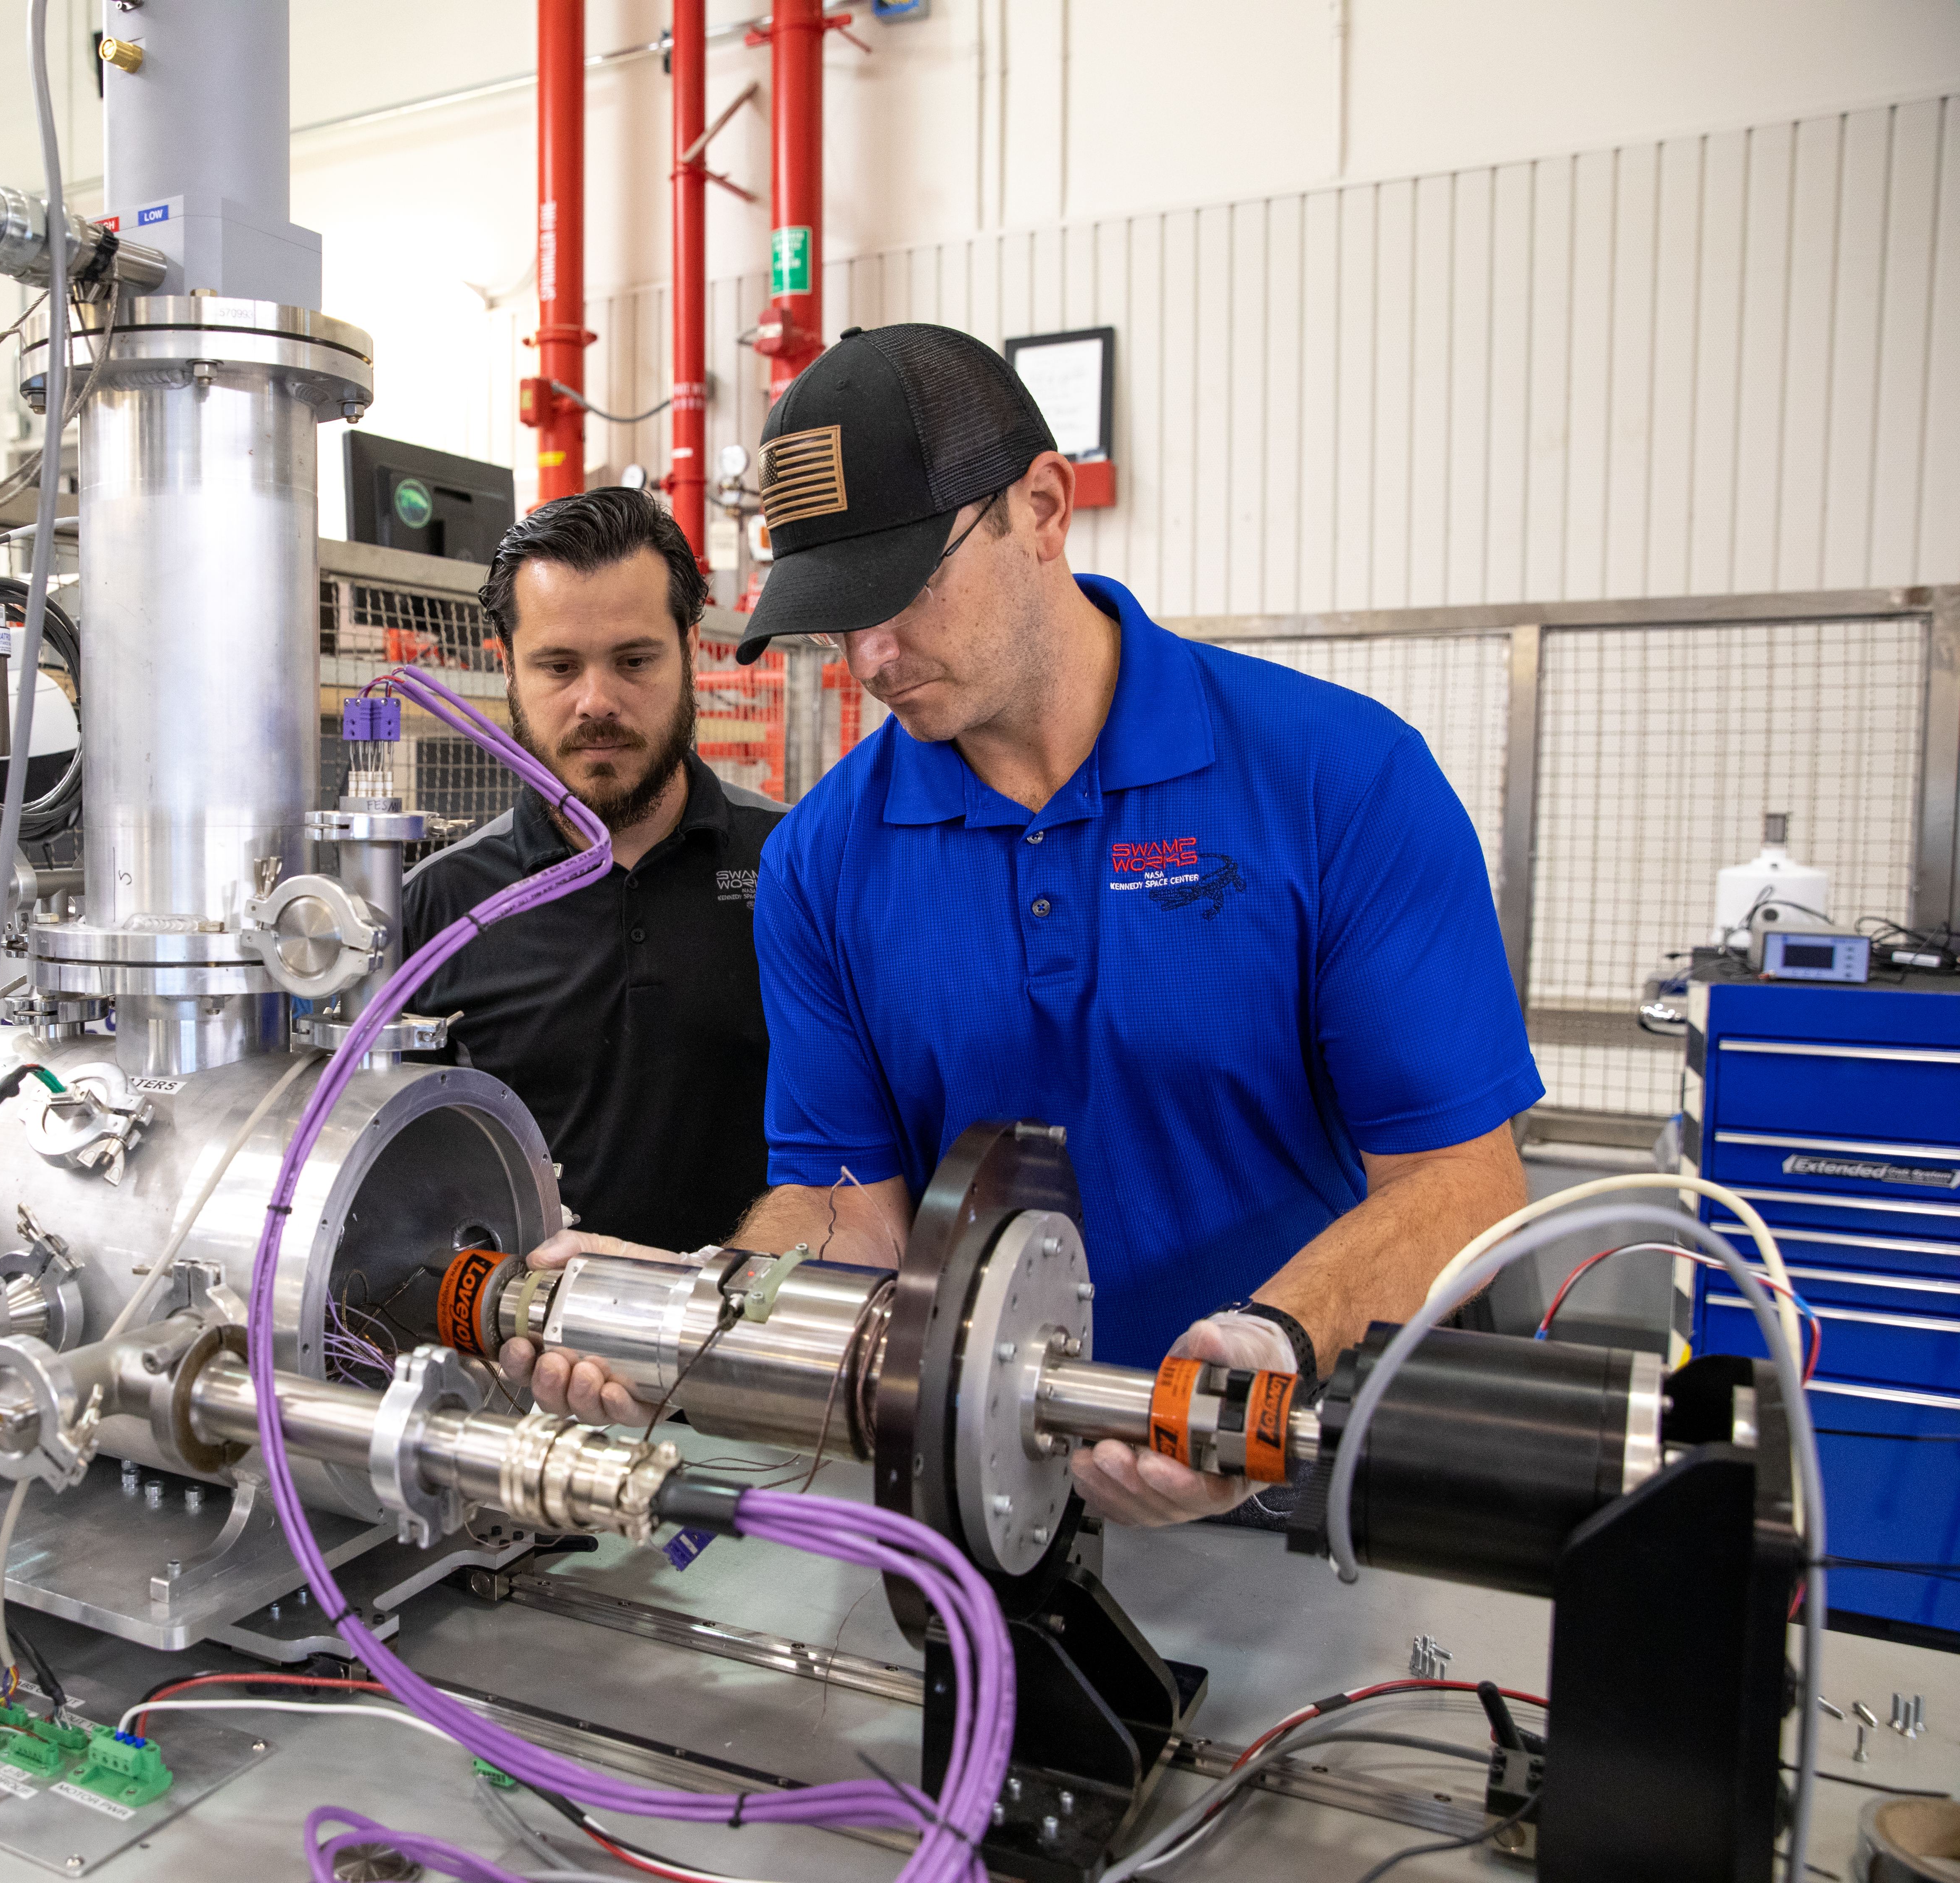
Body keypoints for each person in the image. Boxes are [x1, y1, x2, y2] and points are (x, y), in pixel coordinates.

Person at [506, 325, 1543, 1530]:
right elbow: (851, 1208)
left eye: (902, 590)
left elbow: (1465, 1179)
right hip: (983, 1494)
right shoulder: (823, 860)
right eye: (836, 617)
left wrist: (1267, 1346)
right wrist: (696, 1306)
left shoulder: (1337, 781)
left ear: (1043, 508)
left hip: (1295, 1481)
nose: (872, 657)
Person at [402, 487, 786, 1254]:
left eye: (634, 660)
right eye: (559, 665)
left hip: (748, 1340)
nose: (597, 701)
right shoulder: (438, 909)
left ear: (691, 645)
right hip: (518, 1351)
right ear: (507, 666)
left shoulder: (794, 866)